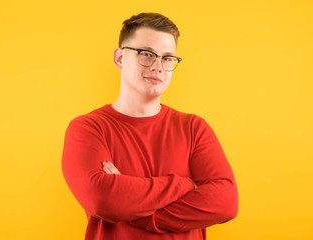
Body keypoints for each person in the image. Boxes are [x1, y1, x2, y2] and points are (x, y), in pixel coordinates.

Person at [62, 12, 238, 240]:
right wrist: (185, 185)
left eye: (167, 58)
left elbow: (226, 203)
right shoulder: (87, 129)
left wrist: (142, 214)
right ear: (119, 58)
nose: (158, 66)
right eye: (146, 54)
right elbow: (103, 200)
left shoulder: (194, 128)